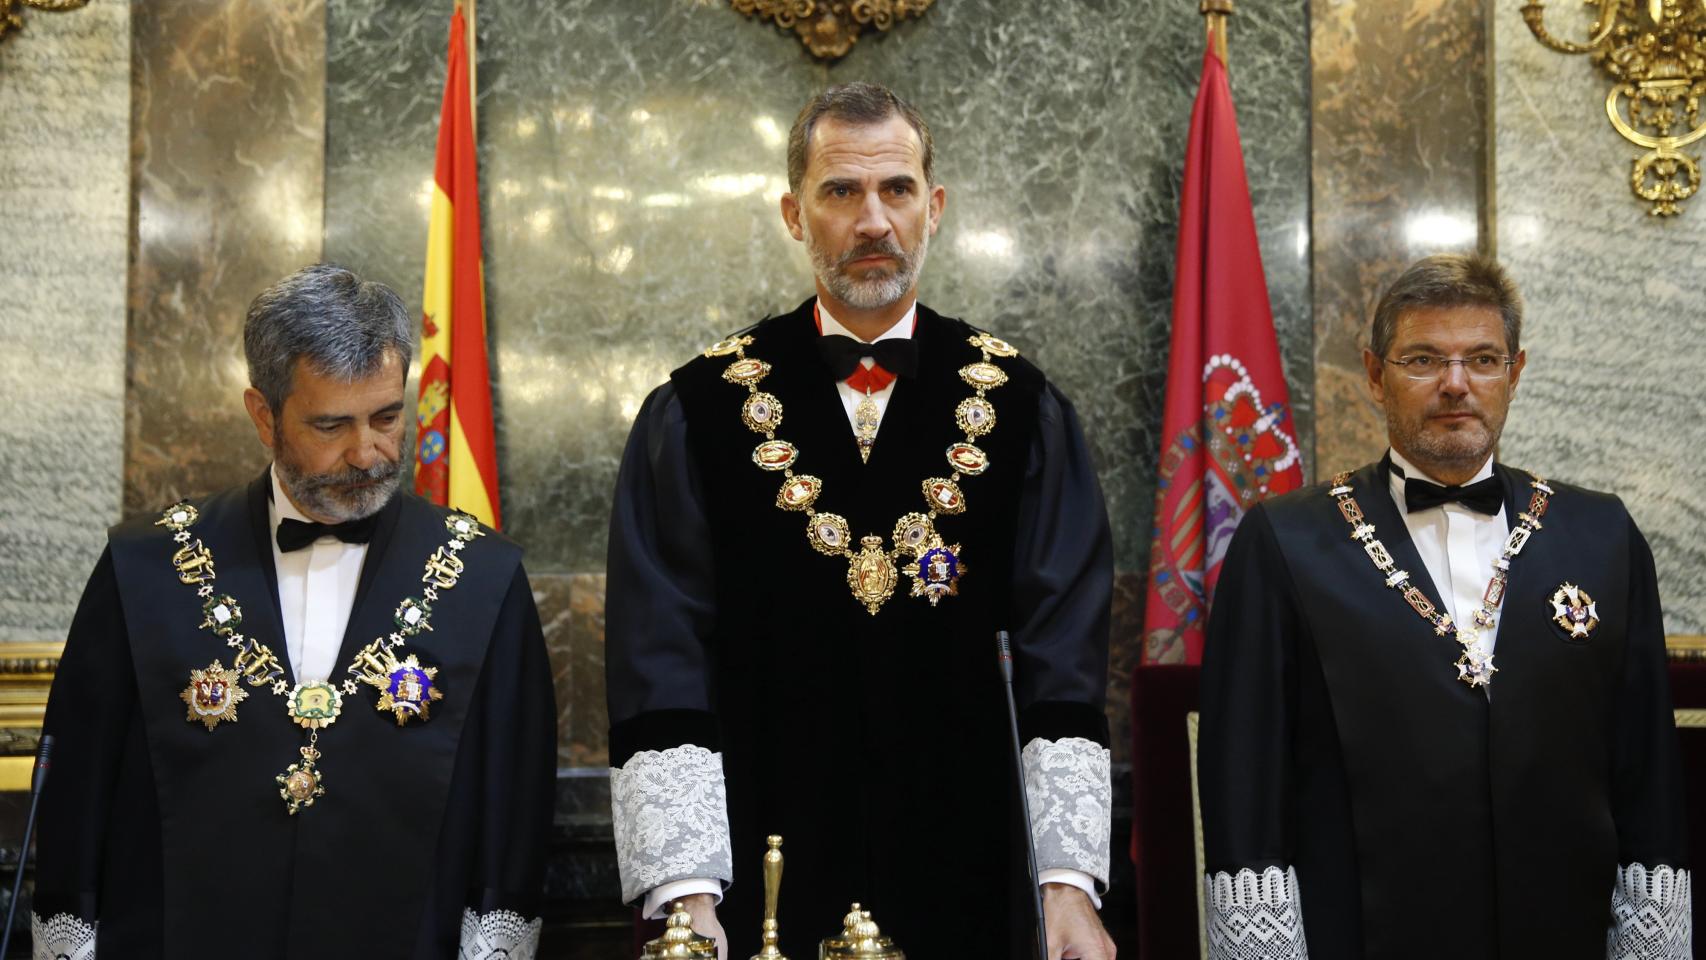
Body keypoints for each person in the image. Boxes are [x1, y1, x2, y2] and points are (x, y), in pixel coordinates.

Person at [605, 82, 1117, 959]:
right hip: (759, 868)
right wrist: (686, 896)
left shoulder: (1023, 408)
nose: (872, 219)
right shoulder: (697, 411)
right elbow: (659, 654)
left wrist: (1067, 889)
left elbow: (1061, 658)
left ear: (935, 207)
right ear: (794, 215)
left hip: (973, 864)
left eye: (897, 189)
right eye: (841, 192)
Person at [30, 265, 556, 959]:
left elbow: (512, 804)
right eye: (332, 424)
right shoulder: (144, 568)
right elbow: (79, 791)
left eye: (387, 417)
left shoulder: (484, 578)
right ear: (262, 414)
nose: (368, 453)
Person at [1198, 254, 1692, 959]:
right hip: (1361, 934)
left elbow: (1646, 770)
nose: (1456, 385)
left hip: (1563, 934)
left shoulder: (1601, 535)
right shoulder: (1283, 541)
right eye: (1424, 359)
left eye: (1482, 359)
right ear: (1374, 375)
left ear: (1514, 373)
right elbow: (1244, 779)